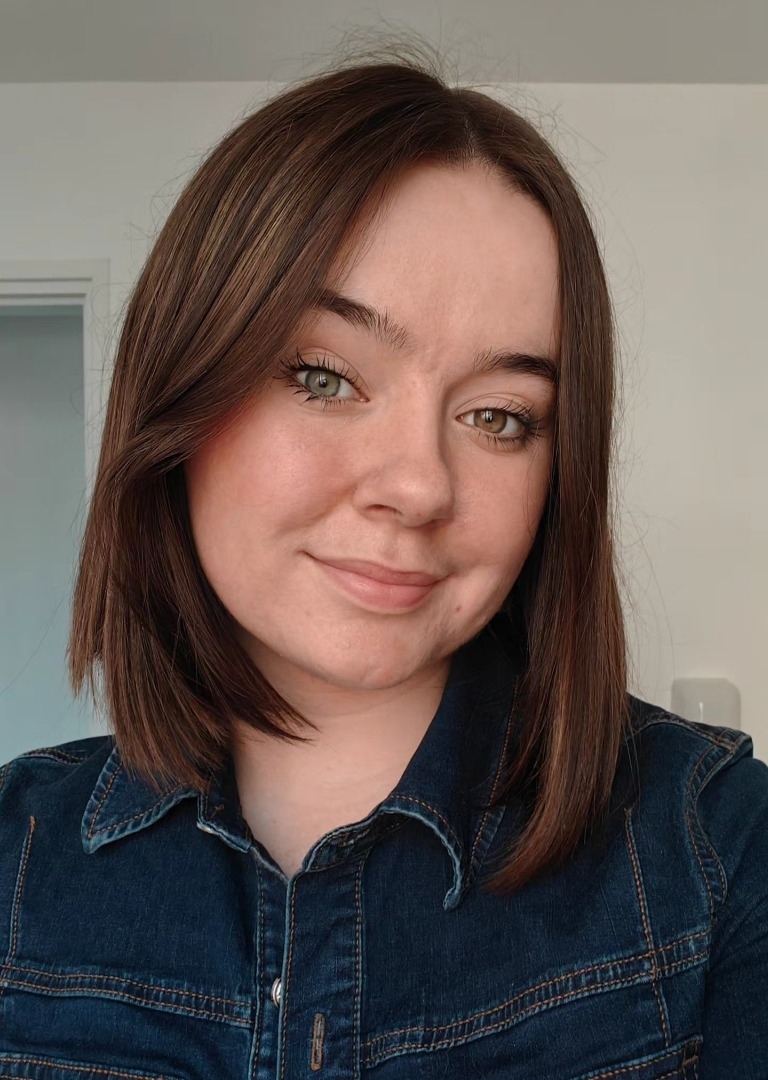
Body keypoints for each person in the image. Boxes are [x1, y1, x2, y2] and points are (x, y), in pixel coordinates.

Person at [1, 50, 765, 1079]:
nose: (419, 486)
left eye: (499, 416)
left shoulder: (721, 847)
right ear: (181, 391)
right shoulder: (14, 859)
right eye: (324, 376)